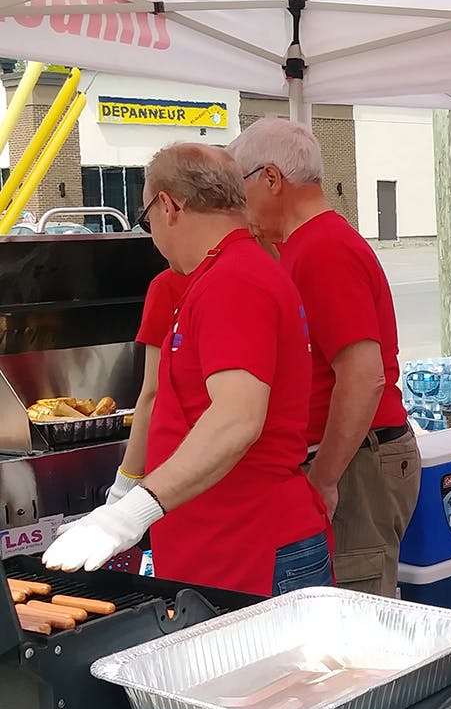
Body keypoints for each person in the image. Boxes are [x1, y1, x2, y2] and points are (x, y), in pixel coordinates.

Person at [43, 144, 331, 596]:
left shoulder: (233, 280)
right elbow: (165, 401)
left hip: (249, 545)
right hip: (218, 543)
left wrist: (130, 513)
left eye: (146, 220)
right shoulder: (218, 275)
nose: (152, 232)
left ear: (168, 205)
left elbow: (237, 418)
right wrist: (121, 493)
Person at [229, 117, 419, 597]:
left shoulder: (322, 249)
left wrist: (326, 476)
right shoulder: (304, 247)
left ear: (271, 179)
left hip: (358, 459)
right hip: (355, 455)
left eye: (239, 187)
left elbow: (363, 375)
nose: (238, 204)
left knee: (357, 618)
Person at [104, 269, 190, 506]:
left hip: (174, 485)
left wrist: (120, 493)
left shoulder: (169, 285)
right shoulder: (266, 268)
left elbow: (153, 392)